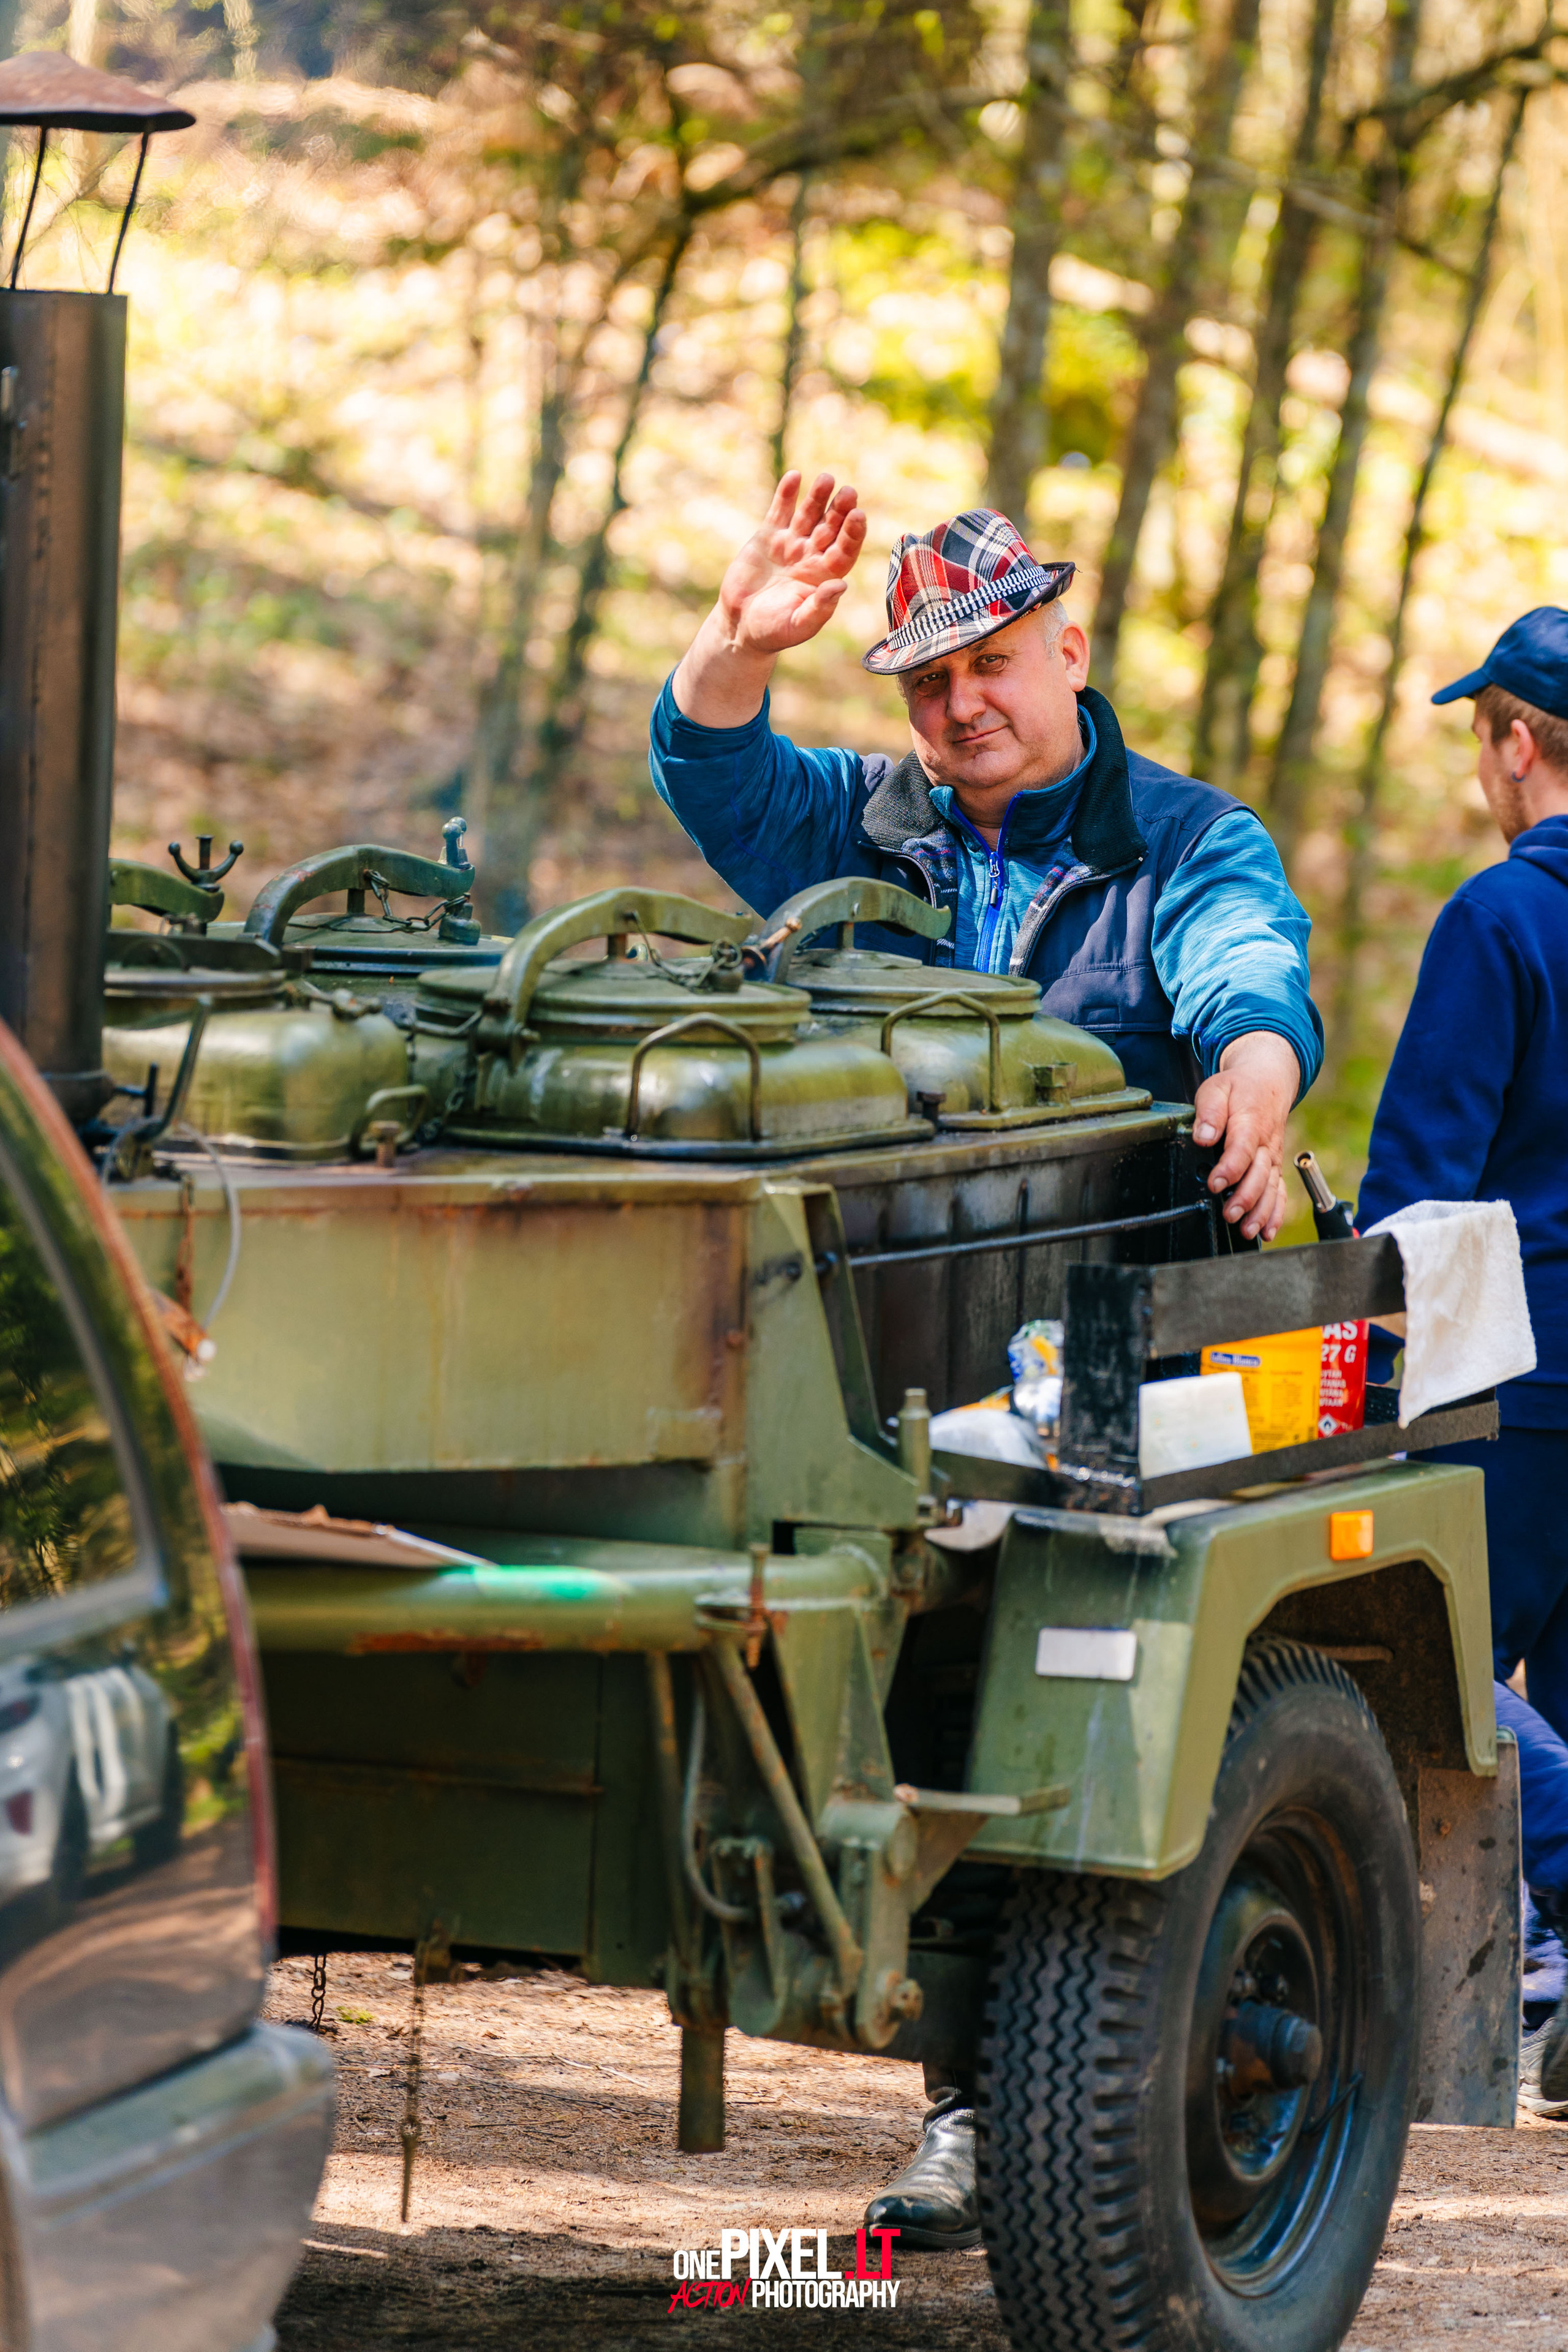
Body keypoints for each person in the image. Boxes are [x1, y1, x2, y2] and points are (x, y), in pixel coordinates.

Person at [650, 473, 1325, 2248]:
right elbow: (715, 777)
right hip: (882, 1341)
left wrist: (1256, 1068)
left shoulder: (1179, 839)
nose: (965, 709)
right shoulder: (869, 827)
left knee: (1031, 1683)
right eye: (931, 685)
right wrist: (737, 642)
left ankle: (987, 2106)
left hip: (1109, 1342)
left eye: (997, 666)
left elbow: (1247, 963)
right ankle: (929, 2054)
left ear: (1071, 649)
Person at [1359, 609, 1568, 1746]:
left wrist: (1382, 1374)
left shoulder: (1499, 917)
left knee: (1437, 1693)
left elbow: (1421, 1188)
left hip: (1512, 1386)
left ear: (1518, 747)